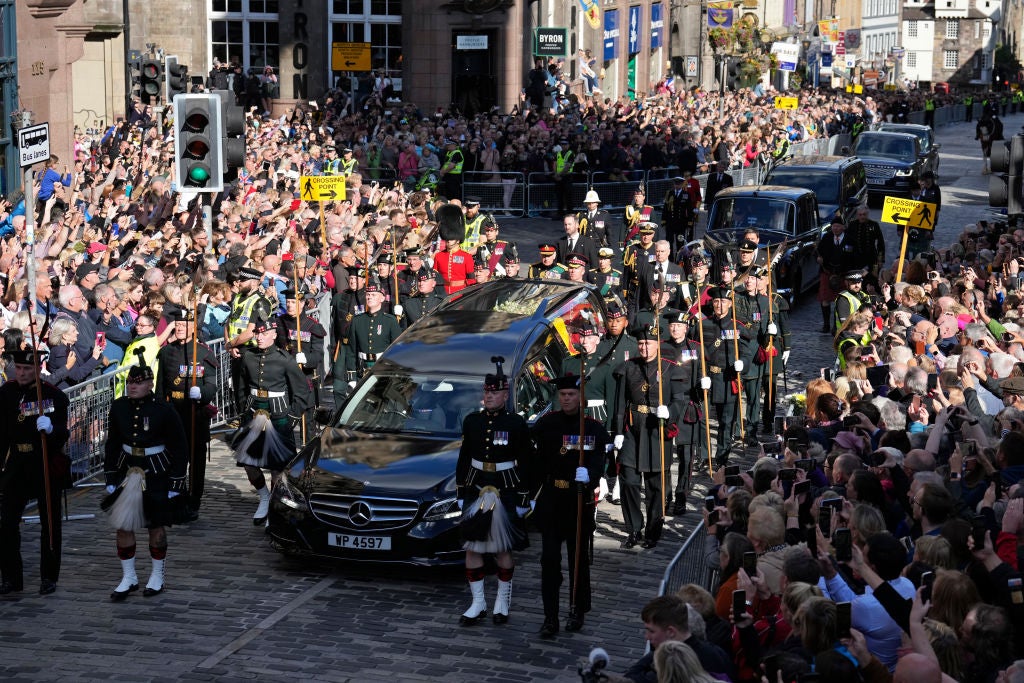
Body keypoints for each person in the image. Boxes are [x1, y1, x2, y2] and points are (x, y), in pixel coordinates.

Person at [530, 373, 610, 639]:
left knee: (578, 562)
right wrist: (528, 495)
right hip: (552, 499)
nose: (566, 399)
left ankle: (577, 610)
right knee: (549, 561)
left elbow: (599, 459)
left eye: (571, 395)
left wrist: (591, 475)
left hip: (577, 501)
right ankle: (549, 616)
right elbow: (535, 460)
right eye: (562, 395)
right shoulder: (546, 424)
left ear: (581, 397)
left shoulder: (593, 427)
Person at [454, 358, 533, 626]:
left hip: (506, 487)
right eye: (486, 391)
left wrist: (524, 496)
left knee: (502, 548)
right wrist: (461, 488)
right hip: (477, 486)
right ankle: (477, 602)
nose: (488, 396)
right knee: (473, 547)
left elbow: (526, 460)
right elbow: (465, 456)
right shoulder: (472, 421)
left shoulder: (515, 424)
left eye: (494, 392)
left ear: (505, 394)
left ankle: (502, 600)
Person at [103, 349, 188, 600]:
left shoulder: (163, 409)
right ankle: (128, 577)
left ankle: (157, 575)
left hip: (157, 472)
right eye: (130, 382)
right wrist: (110, 476)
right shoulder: (118, 407)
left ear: (150, 384)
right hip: (128, 470)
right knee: (122, 526)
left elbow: (179, 446)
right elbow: (113, 442)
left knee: (156, 527)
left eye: (138, 383)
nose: (132, 387)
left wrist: (176, 480)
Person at [0, 348, 71, 596]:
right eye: (18, 368)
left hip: (43, 462)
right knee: (6, 522)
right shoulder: (6, 393)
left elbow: (63, 433)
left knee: (49, 523)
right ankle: (11, 577)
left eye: (27, 369)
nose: (21, 373)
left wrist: (52, 429)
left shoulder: (53, 396)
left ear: (38, 369)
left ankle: (48, 576)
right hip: (16, 463)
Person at [611, 323, 687, 549]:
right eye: (641, 343)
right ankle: (634, 528)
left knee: (655, 487)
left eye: (648, 343)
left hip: (656, 431)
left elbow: (679, 402)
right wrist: (617, 433)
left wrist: (670, 412)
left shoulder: (670, 369)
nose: (644, 347)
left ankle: (654, 530)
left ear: (658, 344)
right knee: (629, 482)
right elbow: (619, 404)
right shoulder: (628, 368)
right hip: (633, 431)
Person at [233, 317, 313, 525]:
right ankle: (264, 496)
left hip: (278, 417)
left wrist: (292, 418)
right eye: (257, 334)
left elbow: (302, 392)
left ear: (274, 335)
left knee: (277, 467)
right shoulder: (248, 356)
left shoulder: (284, 359)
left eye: (264, 333)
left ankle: (275, 507)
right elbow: (241, 387)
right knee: (249, 463)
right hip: (253, 415)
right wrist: (243, 410)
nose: (259, 337)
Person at [154, 308, 218, 521]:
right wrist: (160, 411)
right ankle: (176, 497)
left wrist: (202, 394)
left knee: (195, 460)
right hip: (173, 413)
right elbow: (161, 386)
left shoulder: (204, 353)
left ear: (193, 328)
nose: (180, 328)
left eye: (184, 326)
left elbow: (211, 384)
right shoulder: (166, 352)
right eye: (178, 325)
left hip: (194, 413)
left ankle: (194, 500)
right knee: (173, 459)